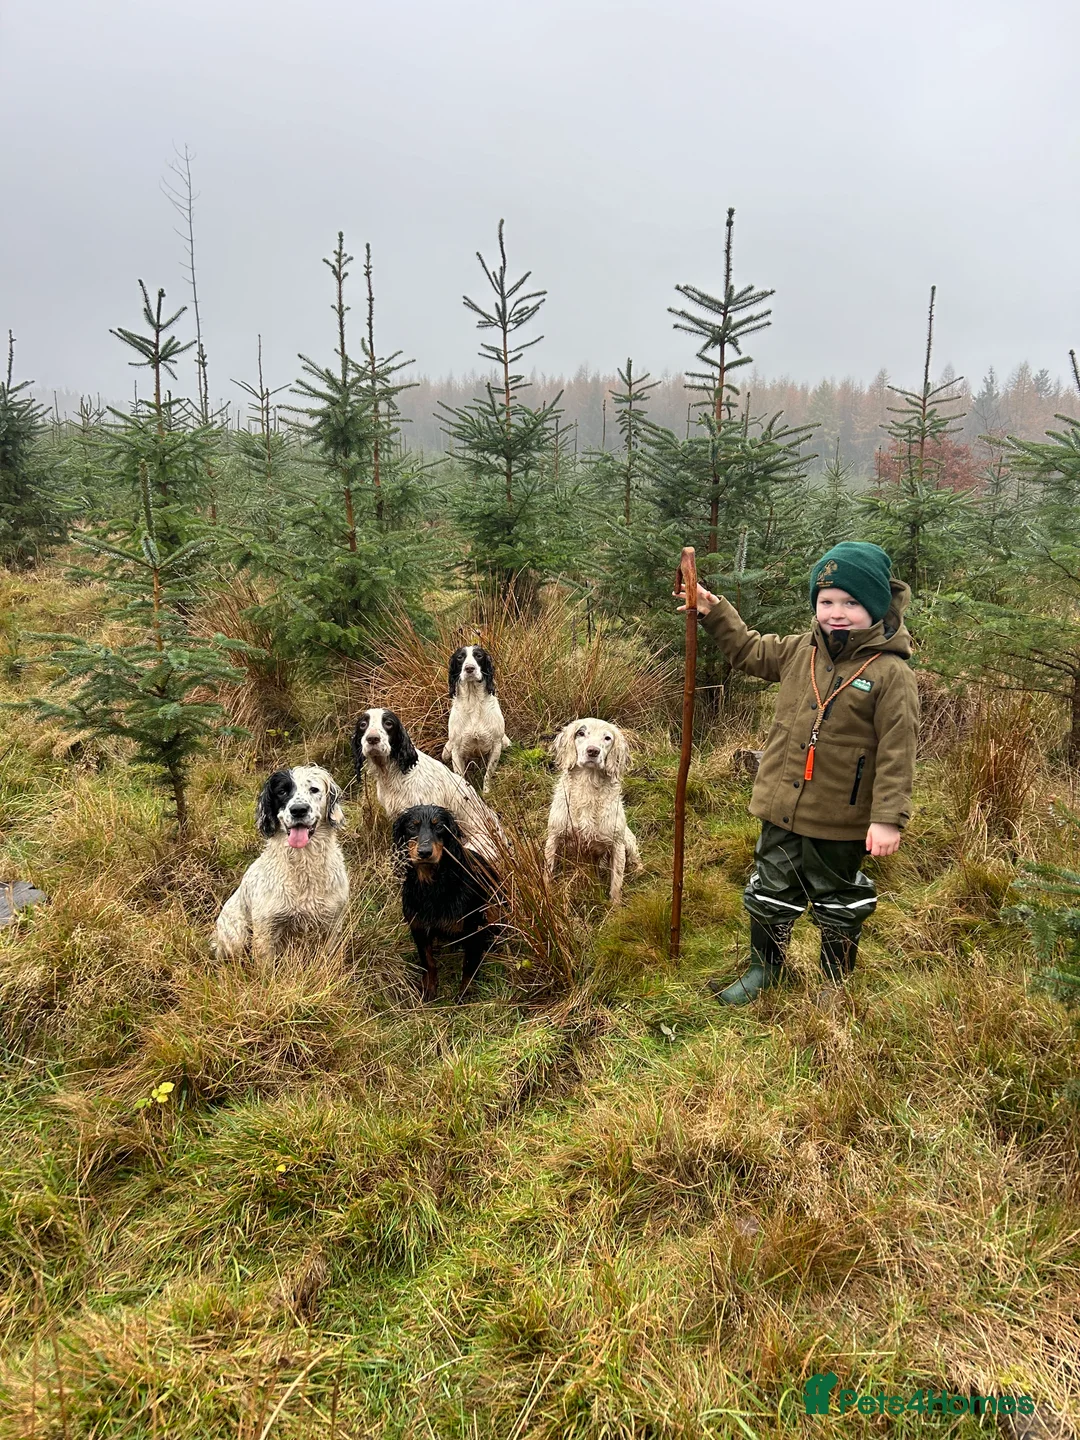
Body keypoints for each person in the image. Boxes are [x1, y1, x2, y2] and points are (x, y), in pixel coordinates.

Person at [676, 541, 919, 1005]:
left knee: (839, 898)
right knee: (770, 886)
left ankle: (834, 983)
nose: (837, 613)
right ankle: (766, 969)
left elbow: (898, 752)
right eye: (827, 602)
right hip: (781, 806)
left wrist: (888, 818)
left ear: (876, 607)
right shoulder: (799, 651)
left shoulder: (890, 673)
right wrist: (711, 609)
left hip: (840, 817)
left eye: (851, 603)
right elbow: (747, 650)